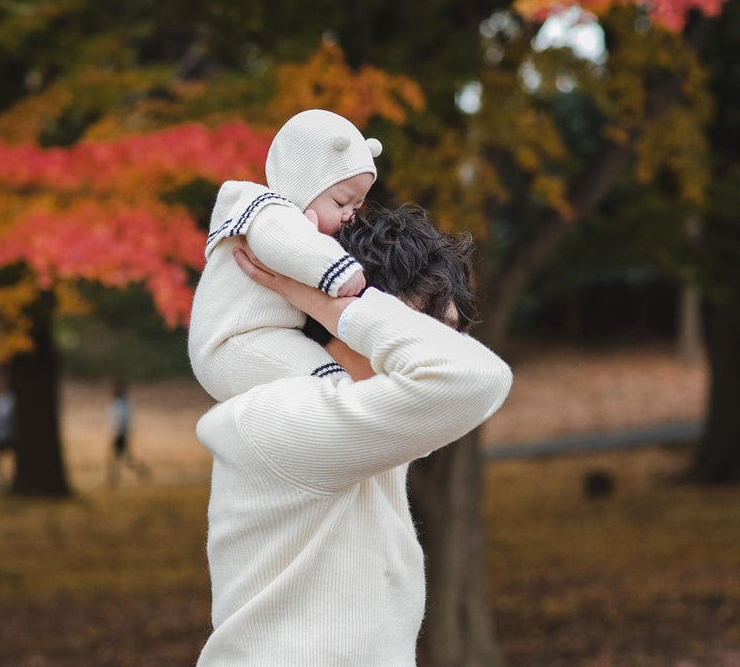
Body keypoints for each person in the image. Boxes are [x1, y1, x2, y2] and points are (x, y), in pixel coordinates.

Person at [193, 204, 512, 667]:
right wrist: (331, 301)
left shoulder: (349, 415)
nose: (436, 347)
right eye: (417, 330)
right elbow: (478, 377)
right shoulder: (288, 417)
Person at [189, 108, 382, 403]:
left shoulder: (290, 221)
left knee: (321, 384)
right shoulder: (266, 211)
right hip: (234, 342)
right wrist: (342, 271)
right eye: (341, 202)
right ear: (302, 181)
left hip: (261, 338)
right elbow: (288, 245)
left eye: (356, 208)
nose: (349, 216)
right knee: (329, 384)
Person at [107, 379, 150, 486]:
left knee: (118, 459)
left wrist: (119, 433)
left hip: (120, 434)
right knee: (124, 459)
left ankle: (114, 479)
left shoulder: (122, 404)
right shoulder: (121, 403)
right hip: (121, 434)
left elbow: (121, 420)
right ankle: (139, 471)